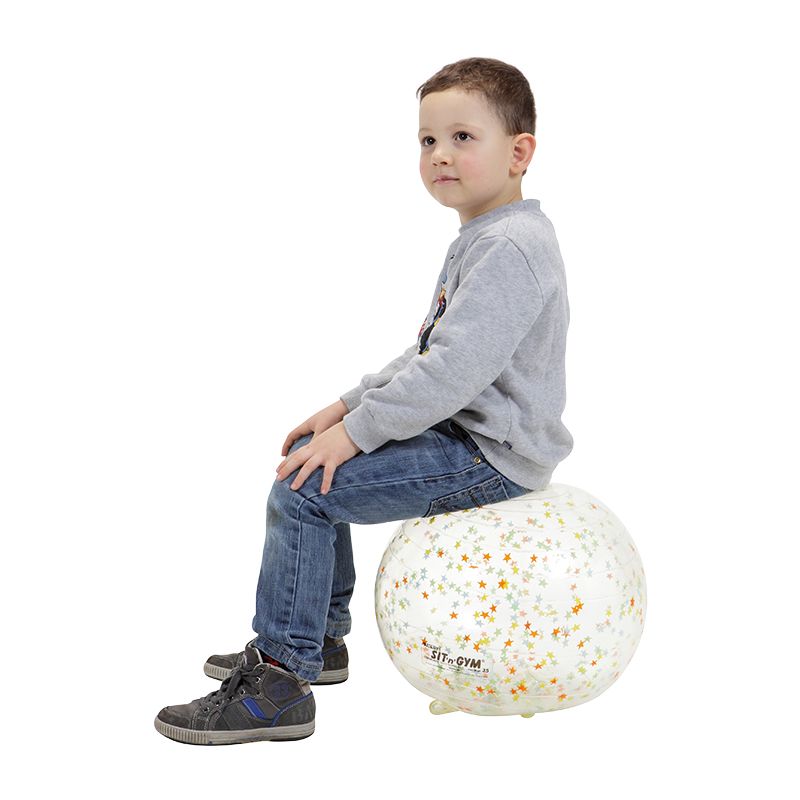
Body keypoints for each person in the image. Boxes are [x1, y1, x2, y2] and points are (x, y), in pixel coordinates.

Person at [154, 56, 574, 745]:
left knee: (304, 488)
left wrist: (356, 435)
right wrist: (348, 408)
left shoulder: (509, 248)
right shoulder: (488, 236)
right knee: (310, 456)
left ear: (519, 152)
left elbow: (450, 374)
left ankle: (280, 680)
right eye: (427, 140)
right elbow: (432, 351)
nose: (440, 155)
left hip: (490, 455)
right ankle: (317, 637)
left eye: (463, 138)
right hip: (472, 437)